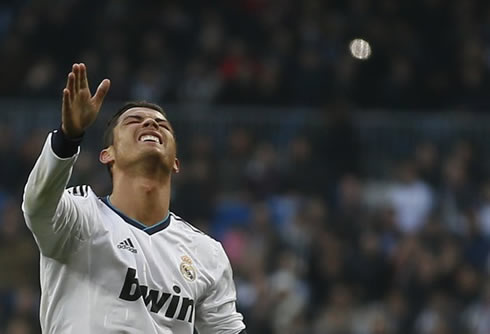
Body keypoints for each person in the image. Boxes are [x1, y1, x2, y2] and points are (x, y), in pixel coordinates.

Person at [21, 63, 247, 334]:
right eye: (133, 121)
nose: (151, 123)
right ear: (107, 154)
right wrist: (69, 139)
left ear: (176, 163)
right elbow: (37, 205)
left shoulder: (206, 253)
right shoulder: (81, 216)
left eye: (162, 125)